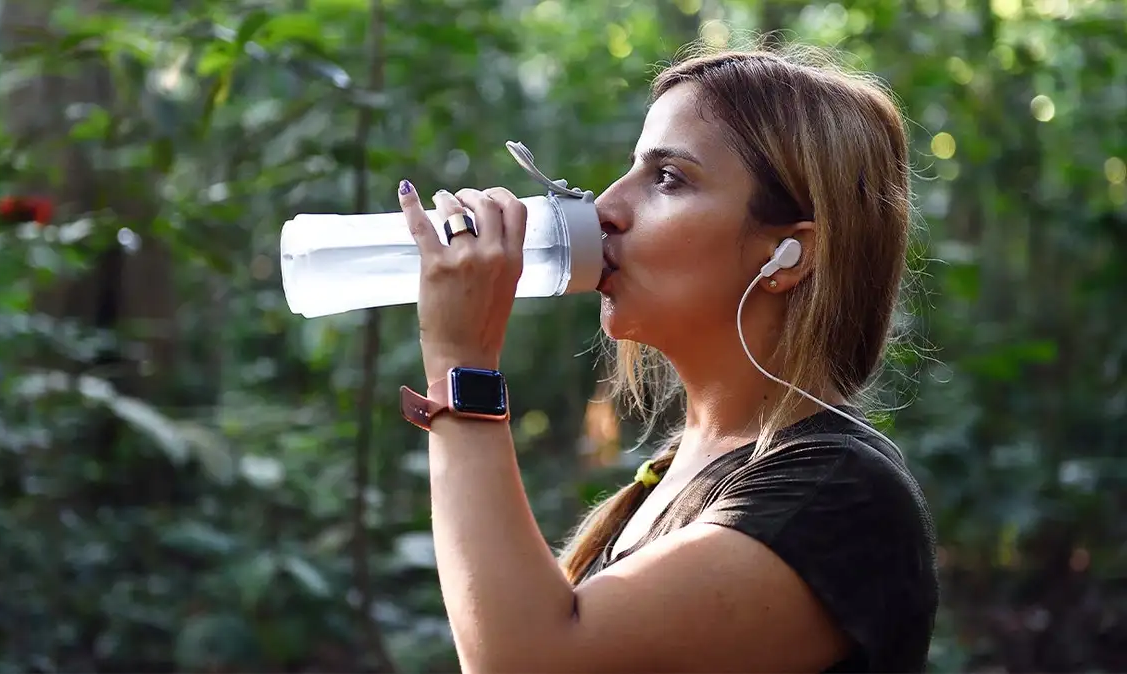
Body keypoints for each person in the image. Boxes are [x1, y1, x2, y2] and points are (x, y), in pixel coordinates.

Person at [394, 41, 939, 674]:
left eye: (669, 179)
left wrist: (463, 366)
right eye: (632, 169)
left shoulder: (837, 494)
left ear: (790, 255)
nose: (604, 209)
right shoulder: (683, 471)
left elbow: (526, 660)